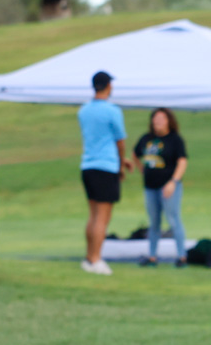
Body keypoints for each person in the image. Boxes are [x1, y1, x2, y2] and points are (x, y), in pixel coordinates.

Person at [78, 71, 132, 276]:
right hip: (106, 167)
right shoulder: (112, 111)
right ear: (108, 86)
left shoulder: (83, 110)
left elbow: (99, 140)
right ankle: (96, 259)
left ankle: (88, 257)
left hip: (88, 166)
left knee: (92, 215)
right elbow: (120, 142)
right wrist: (120, 165)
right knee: (103, 217)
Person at [133, 108, 188, 267]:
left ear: (169, 121)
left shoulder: (175, 140)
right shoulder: (146, 138)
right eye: (155, 119)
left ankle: (181, 256)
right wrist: (141, 169)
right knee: (154, 221)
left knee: (173, 219)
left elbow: (182, 161)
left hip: (169, 186)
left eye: (162, 119)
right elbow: (136, 153)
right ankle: (152, 256)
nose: (158, 122)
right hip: (150, 186)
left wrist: (173, 182)